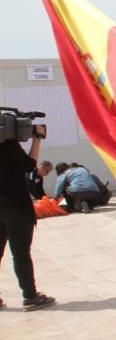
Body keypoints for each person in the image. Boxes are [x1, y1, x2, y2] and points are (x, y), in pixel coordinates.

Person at [0, 130, 56, 310]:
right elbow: (29, 165)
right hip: (15, 207)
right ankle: (30, 296)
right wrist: (37, 138)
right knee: (21, 254)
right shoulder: (7, 144)